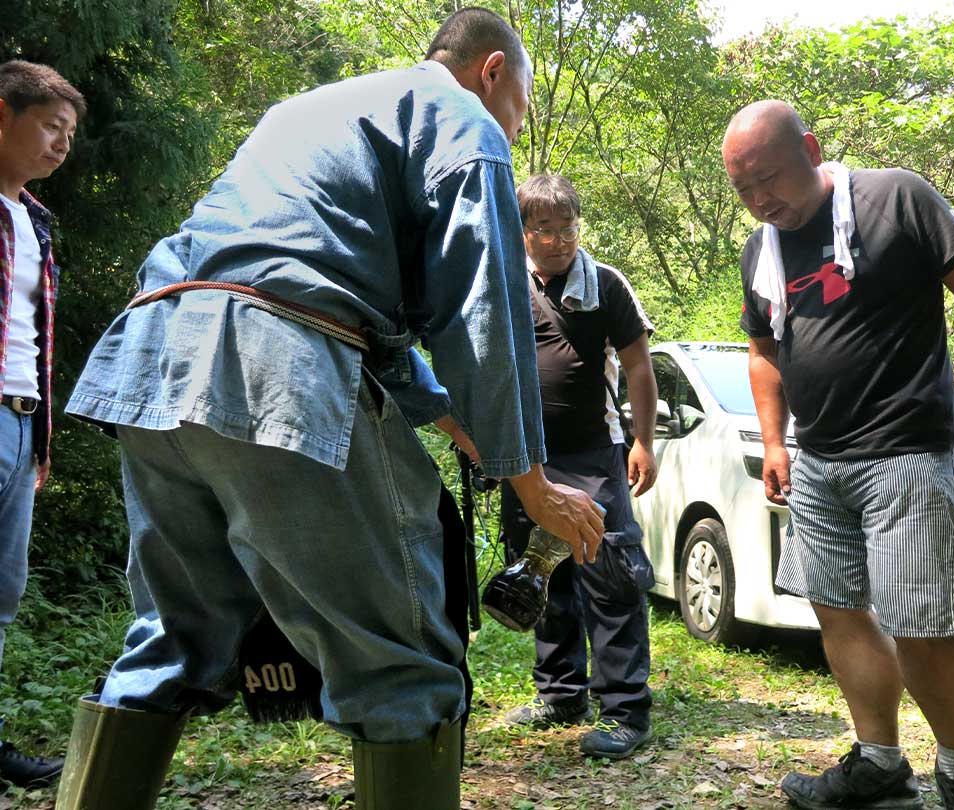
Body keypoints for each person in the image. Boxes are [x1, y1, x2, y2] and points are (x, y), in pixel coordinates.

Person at [53, 9, 605, 810]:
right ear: (492, 72)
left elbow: (326, 284)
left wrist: (452, 418)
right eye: (518, 109)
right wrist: (533, 487)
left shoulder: (308, 113)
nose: (511, 133)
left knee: (174, 640)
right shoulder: (462, 122)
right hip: (275, 366)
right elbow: (481, 316)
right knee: (402, 658)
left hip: (156, 362)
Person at [723, 99, 954, 810]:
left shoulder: (894, 198)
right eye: (743, 189)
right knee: (839, 610)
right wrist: (773, 441)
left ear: (811, 148)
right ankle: (880, 764)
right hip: (820, 459)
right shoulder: (761, 251)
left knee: (925, 619)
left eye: (768, 178)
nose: (761, 199)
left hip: (907, 448)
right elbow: (764, 354)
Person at [500, 174, 658, 759]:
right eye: (545, 229)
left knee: (608, 572)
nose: (560, 239)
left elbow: (639, 367)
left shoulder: (606, 285)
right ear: (523, 233)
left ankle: (625, 710)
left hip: (595, 451)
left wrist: (644, 441)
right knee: (541, 573)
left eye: (568, 227)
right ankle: (561, 693)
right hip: (526, 458)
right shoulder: (506, 282)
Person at [0, 59, 83, 789]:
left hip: (22, 428)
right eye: (51, 127)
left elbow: (34, 337)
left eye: (69, 134)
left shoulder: (35, 220)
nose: (62, 144)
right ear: (3, 114)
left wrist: (41, 440)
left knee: (2, 593)